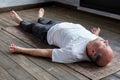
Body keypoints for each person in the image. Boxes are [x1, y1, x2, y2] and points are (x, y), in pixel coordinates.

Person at [9, 8, 115, 67]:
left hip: (47, 33)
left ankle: (19, 21)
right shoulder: (94, 41)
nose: (106, 41)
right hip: (62, 24)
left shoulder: (73, 53)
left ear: (92, 52)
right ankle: (40, 18)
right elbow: (94, 40)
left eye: (105, 45)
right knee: (45, 21)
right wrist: (96, 34)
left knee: (31, 27)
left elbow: (46, 53)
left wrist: (20, 50)